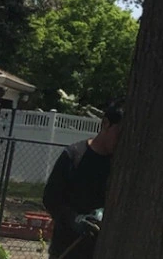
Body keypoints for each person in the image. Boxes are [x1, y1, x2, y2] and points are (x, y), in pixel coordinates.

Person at [42, 103, 123, 259]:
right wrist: (75, 219)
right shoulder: (74, 155)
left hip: (100, 250)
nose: (120, 140)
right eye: (118, 134)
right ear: (106, 124)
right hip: (67, 247)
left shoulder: (119, 166)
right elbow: (50, 198)